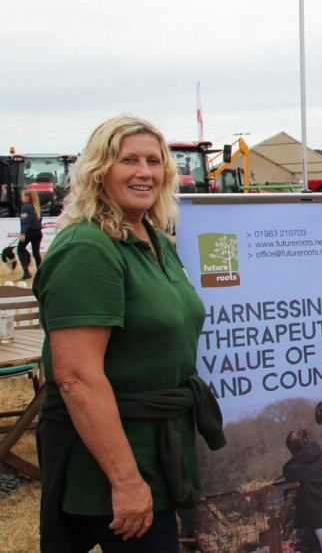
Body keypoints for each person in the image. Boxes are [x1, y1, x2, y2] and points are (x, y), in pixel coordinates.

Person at [33, 115, 226, 553]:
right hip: (116, 455)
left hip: (157, 445)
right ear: (99, 171)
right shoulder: (88, 248)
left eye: (155, 161)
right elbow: (76, 377)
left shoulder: (154, 240)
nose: (145, 172)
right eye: (129, 160)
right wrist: (125, 481)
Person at [283, 429, 322, 553]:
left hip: (314, 511)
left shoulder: (293, 467)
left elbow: (290, 478)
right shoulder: (316, 453)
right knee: (319, 544)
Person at [17, 189, 43, 280]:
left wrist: (23, 233)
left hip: (29, 232)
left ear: (27, 198)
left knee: (20, 250)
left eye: (22, 196)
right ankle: (40, 272)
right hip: (38, 232)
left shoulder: (25, 207)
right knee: (36, 253)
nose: (21, 198)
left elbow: (25, 221)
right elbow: (40, 219)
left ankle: (26, 272)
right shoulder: (36, 206)